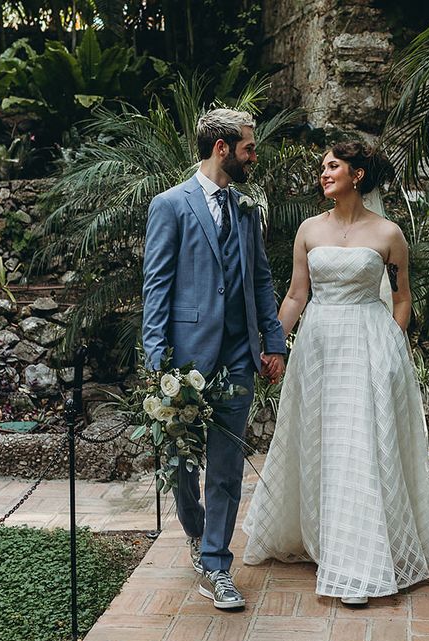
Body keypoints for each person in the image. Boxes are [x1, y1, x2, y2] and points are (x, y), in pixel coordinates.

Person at [243, 141, 429, 605]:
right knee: (320, 439)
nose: (324, 173)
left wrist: (393, 345)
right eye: (322, 167)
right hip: (318, 348)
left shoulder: (389, 234)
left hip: (369, 347)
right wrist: (272, 346)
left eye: (333, 166)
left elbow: (402, 299)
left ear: (357, 175)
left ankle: (358, 563)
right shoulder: (309, 230)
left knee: (359, 443)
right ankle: (323, 538)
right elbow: (296, 296)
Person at [142, 108, 286, 610]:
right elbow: (157, 282)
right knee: (182, 463)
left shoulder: (247, 209)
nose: (254, 154)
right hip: (185, 357)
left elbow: (262, 279)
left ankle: (216, 563)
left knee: (226, 464)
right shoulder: (170, 205)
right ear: (222, 147)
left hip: (238, 356)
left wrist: (274, 342)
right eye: (248, 145)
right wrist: (157, 355)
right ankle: (194, 530)